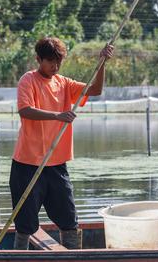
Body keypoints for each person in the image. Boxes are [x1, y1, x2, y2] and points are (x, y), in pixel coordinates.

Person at [10, 37, 114, 250]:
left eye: (58, 62)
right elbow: (25, 110)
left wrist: (102, 63)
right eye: (50, 62)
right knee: (25, 222)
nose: (55, 67)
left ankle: (74, 261)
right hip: (28, 164)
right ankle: (20, 261)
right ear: (38, 59)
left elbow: (95, 90)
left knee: (68, 218)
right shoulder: (28, 80)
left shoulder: (63, 83)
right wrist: (57, 116)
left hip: (56, 164)